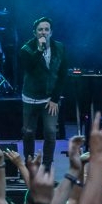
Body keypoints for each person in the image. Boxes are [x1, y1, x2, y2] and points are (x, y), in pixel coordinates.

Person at [18, 17, 67, 167]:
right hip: (31, 97)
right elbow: (29, 68)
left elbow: (62, 74)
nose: (43, 32)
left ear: (51, 32)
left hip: (50, 98)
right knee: (28, 132)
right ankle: (29, 164)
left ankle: (47, 165)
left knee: (51, 132)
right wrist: (39, 50)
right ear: (35, 32)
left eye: (46, 29)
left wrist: (55, 98)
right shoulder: (26, 49)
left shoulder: (60, 48)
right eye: (40, 29)